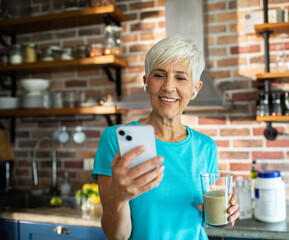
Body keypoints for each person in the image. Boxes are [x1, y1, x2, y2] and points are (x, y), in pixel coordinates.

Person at [92, 35, 240, 240]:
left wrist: (226, 210)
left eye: (180, 78)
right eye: (159, 75)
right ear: (146, 82)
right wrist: (119, 198)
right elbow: (116, 236)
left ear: (195, 89)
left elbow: (204, 220)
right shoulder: (116, 140)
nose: (169, 86)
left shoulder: (206, 147)